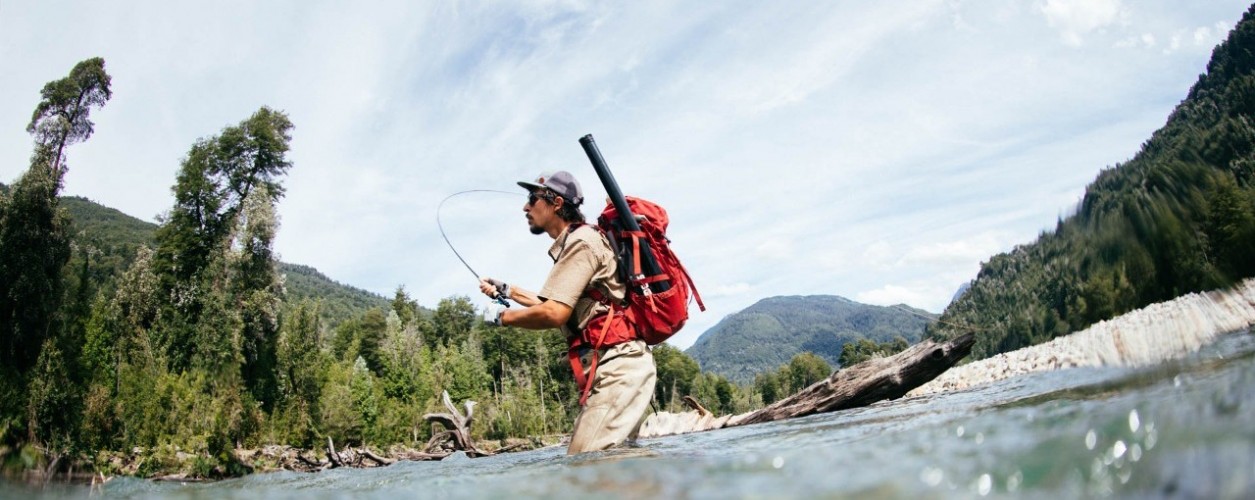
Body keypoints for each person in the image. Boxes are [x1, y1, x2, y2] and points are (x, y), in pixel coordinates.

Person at [479, 170, 657, 455]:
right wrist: (507, 290)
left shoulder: (581, 242)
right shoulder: (580, 241)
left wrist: (500, 317)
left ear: (556, 203)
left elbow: (554, 313)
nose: (525, 207)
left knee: (585, 463)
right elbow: (557, 303)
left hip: (619, 367)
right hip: (618, 367)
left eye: (532, 199)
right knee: (617, 472)